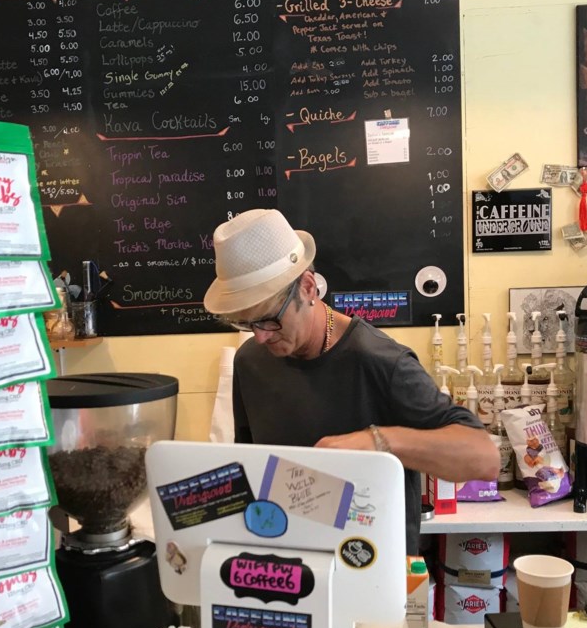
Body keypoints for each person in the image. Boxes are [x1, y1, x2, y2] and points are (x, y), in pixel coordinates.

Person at [203, 208, 498, 554]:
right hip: (289, 567)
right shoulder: (250, 361)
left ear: (308, 288)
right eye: (245, 324)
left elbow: (484, 458)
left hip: (371, 573)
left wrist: (379, 442)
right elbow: (252, 471)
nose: (261, 337)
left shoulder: (382, 362)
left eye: (268, 320)